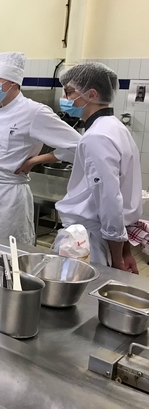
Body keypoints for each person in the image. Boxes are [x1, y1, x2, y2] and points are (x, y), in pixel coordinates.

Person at [0, 52, 81, 245]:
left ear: (13, 82)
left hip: (8, 194)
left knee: (5, 249)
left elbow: (79, 145)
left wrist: (36, 160)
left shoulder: (34, 112)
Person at [55, 63, 141, 272]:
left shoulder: (97, 137)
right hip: (103, 237)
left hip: (88, 241)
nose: (65, 98)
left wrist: (118, 258)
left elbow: (110, 200)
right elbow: (118, 199)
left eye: (69, 92)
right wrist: (126, 251)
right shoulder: (115, 127)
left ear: (91, 94)